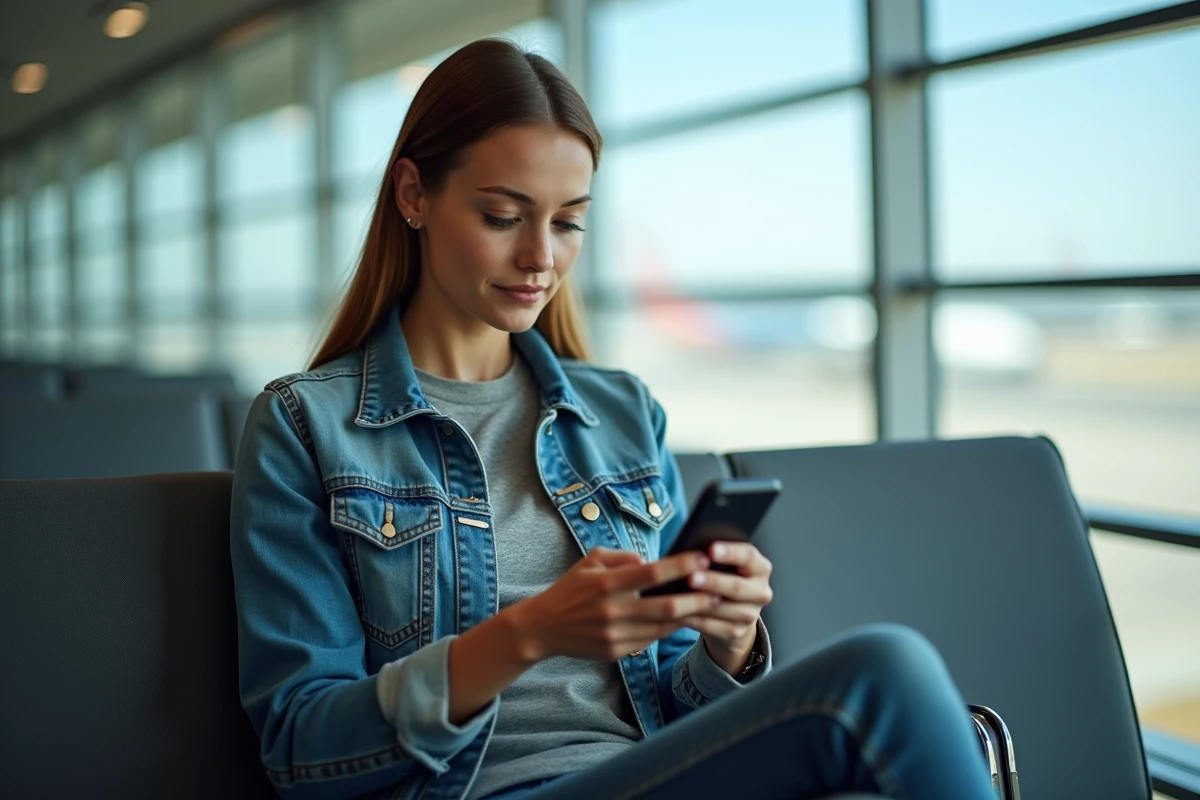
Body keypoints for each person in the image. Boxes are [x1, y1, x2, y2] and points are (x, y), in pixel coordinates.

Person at [230, 38, 995, 800]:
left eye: (568, 223)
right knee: (882, 675)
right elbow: (302, 751)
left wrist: (727, 645)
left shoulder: (621, 412)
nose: (540, 258)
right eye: (503, 216)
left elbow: (669, 699)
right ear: (413, 195)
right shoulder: (305, 426)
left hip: (646, 775)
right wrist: (526, 634)